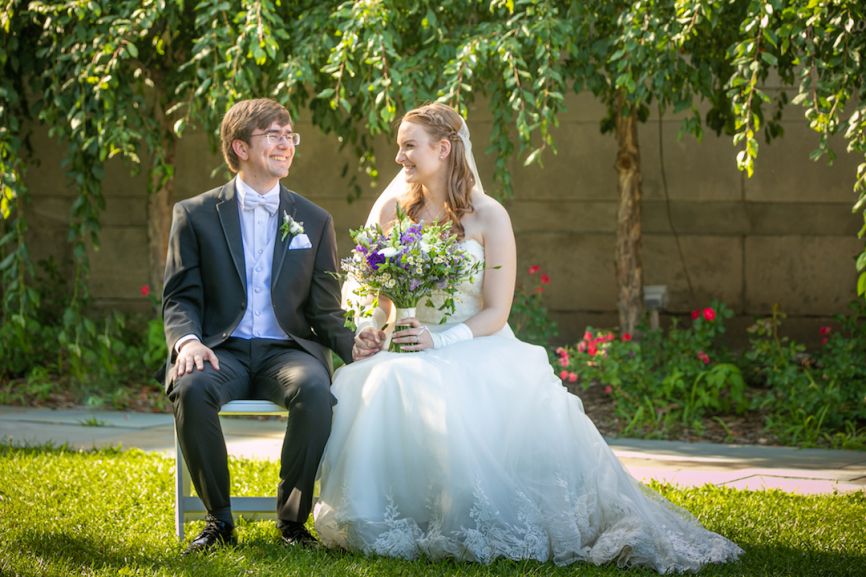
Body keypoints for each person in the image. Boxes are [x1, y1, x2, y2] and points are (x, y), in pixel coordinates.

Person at [312, 103, 743, 572]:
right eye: (400, 147)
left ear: (443, 148)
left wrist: (442, 342)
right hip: (408, 343)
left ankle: (459, 516)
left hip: (472, 344)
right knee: (373, 381)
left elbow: (497, 311)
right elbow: (379, 297)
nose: (400, 158)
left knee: (430, 385)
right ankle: (394, 518)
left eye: (408, 146)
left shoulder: (489, 216)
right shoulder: (393, 210)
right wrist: (373, 328)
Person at [162, 98, 382, 555]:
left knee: (316, 389)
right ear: (240, 147)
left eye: (290, 136)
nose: (286, 145)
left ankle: (292, 521)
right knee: (190, 387)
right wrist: (187, 342)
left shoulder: (314, 220)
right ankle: (218, 521)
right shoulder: (195, 214)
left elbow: (324, 309)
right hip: (219, 349)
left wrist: (351, 342)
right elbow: (180, 295)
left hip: (287, 350)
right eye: (274, 136)